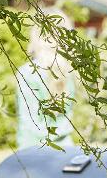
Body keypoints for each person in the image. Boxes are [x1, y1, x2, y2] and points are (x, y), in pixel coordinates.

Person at [15, 9, 75, 150]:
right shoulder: (69, 72)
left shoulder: (27, 72)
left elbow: (29, 122)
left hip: (32, 149)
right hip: (65, 147)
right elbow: (66, 118)